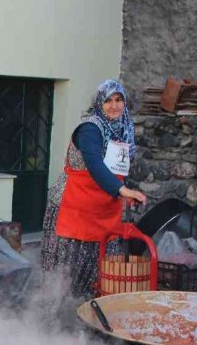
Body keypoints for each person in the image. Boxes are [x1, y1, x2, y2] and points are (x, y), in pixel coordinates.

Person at [40, 79, 148, 298]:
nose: (114, 106)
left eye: (118, 100)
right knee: (63, 280)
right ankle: (50, 319)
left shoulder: (123, 130)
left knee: (100, 278)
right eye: (108, 101)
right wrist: (122, 190)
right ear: (99, 103)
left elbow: (117, 170)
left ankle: (90, 316)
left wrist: (123, 193)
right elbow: (95, 165)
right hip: (74, 209)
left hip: (104, 212)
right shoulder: (90, 129)